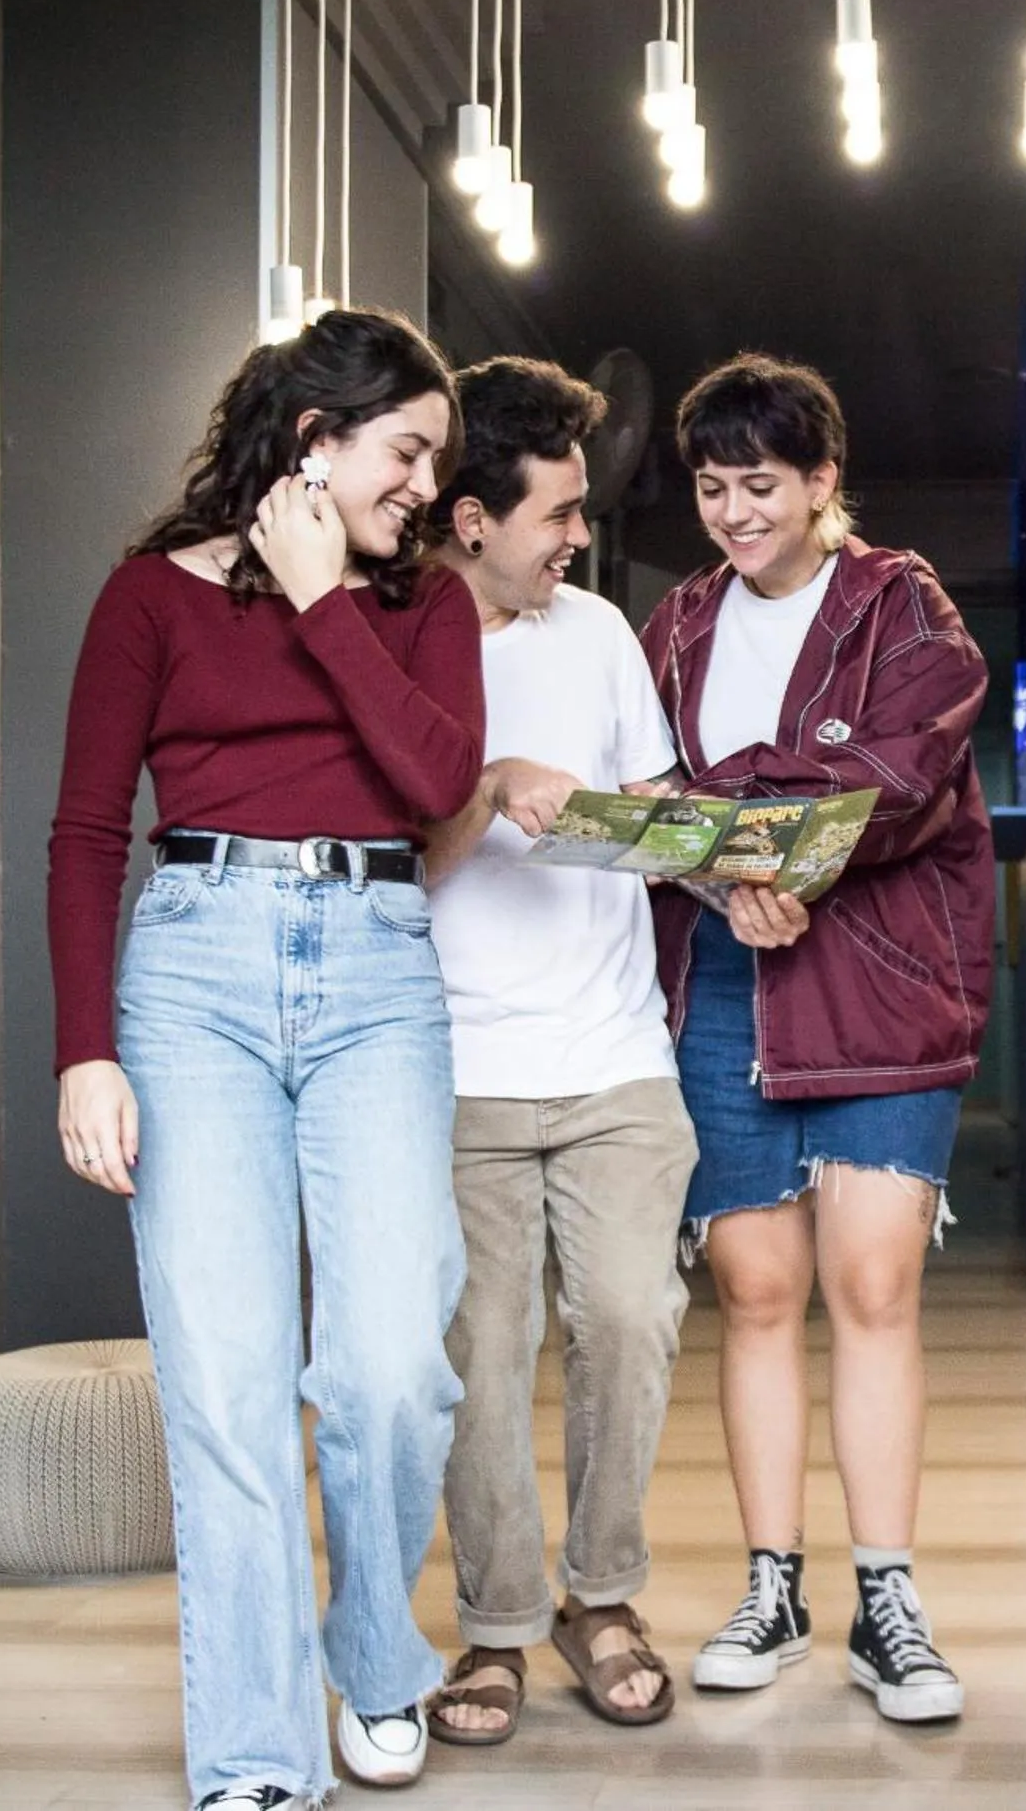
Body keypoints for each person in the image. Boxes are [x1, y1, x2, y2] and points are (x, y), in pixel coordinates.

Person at [47, 308, 481, 1805]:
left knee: (389, 1368)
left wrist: (321, 602)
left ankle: (373, 1655)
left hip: (373, 967)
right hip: (192, 975)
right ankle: (252, 1753)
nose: (427, 485)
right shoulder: (145, 600)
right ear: (317, 439)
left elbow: (432, 786)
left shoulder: (421, 606)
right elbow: (87, 832)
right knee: (225, 1390)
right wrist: (82, 1050)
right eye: (408, 450)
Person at [640, 354, 995, 1724]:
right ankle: (773, 1585)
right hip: (724, 989)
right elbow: (649, 793)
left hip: (884, 983)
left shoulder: (901, 604)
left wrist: (749, 834)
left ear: (823, 481)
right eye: (713, 487)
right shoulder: (673, 623)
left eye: (762, 486)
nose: (734, 513)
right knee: (760, 1294)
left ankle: (888, 1600)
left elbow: (898, 779)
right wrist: (728, 865)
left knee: (873, 1286)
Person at [414, 357, 700, 1746]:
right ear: (469, 518)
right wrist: (488, 795)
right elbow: (384, 869)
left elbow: (646, 814)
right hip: (452, 1070)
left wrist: (720, 859)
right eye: (557, 513)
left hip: (613, 1057)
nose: (578, 536)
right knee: (480, 1350)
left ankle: (603, 1595)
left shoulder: (597, 634)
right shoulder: (393, 638)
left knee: (633, 1321)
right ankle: (498, 1623)